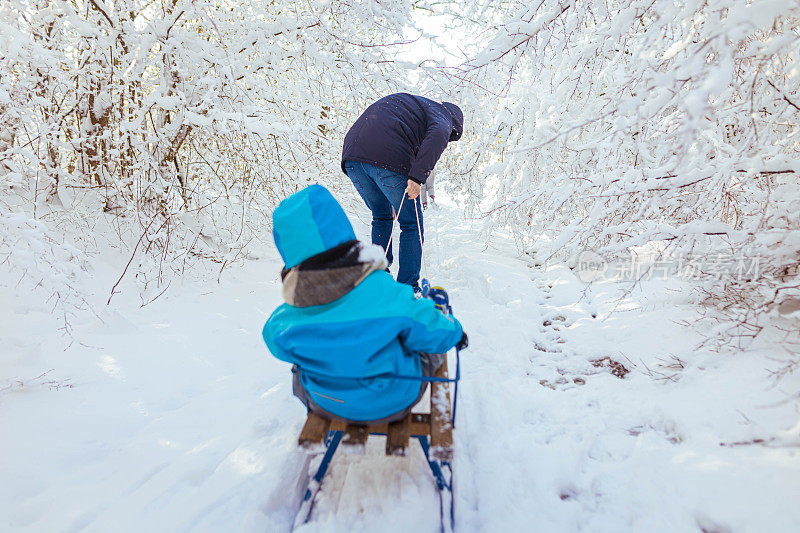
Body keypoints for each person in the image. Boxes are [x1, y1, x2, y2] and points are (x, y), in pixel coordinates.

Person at [262, 185, 467, 424]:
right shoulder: (382, 289)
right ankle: (437, 309)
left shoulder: (288, 316)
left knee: (303, 365)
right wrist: (455, 331)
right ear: (342, 230)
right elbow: (430, 331)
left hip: (325, 403)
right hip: (392, 401)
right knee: (424, 338)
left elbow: (275, 341)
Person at [341, 93, 464, 292]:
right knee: (411, 223)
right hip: (387, 157)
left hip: (352, 158)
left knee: (381, 216)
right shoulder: (443, 116)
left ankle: (378, 277)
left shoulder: (417, 107)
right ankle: (407, 287)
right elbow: (438, 134)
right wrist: (417, 178)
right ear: (454, 123)